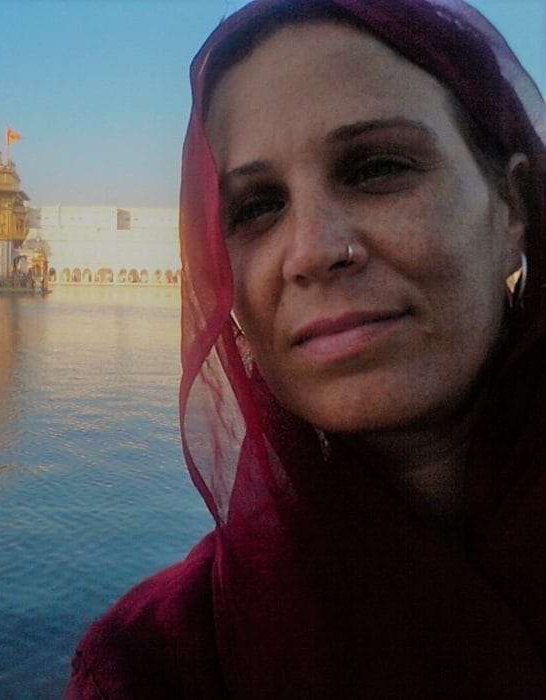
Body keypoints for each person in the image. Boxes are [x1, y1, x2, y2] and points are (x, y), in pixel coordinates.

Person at [66, 0, 546, 696]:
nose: (313, 251)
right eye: (257, 208)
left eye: (377, 168)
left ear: (513, 208)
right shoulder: (160, 661)